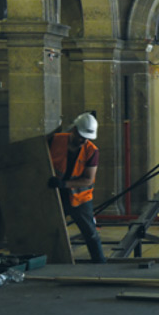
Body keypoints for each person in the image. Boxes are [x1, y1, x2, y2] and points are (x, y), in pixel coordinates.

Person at [47, 112, 106, 263]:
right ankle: (50, 261)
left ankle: (100, 264)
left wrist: (64, 184)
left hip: (80, 199)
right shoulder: (55, 140)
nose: (83, 140)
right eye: (81, 136)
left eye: (86, 138)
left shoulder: (92, 151)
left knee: (90, 234)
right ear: (73, 130)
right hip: (56, 194)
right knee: (50, 231)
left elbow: (88, 179)